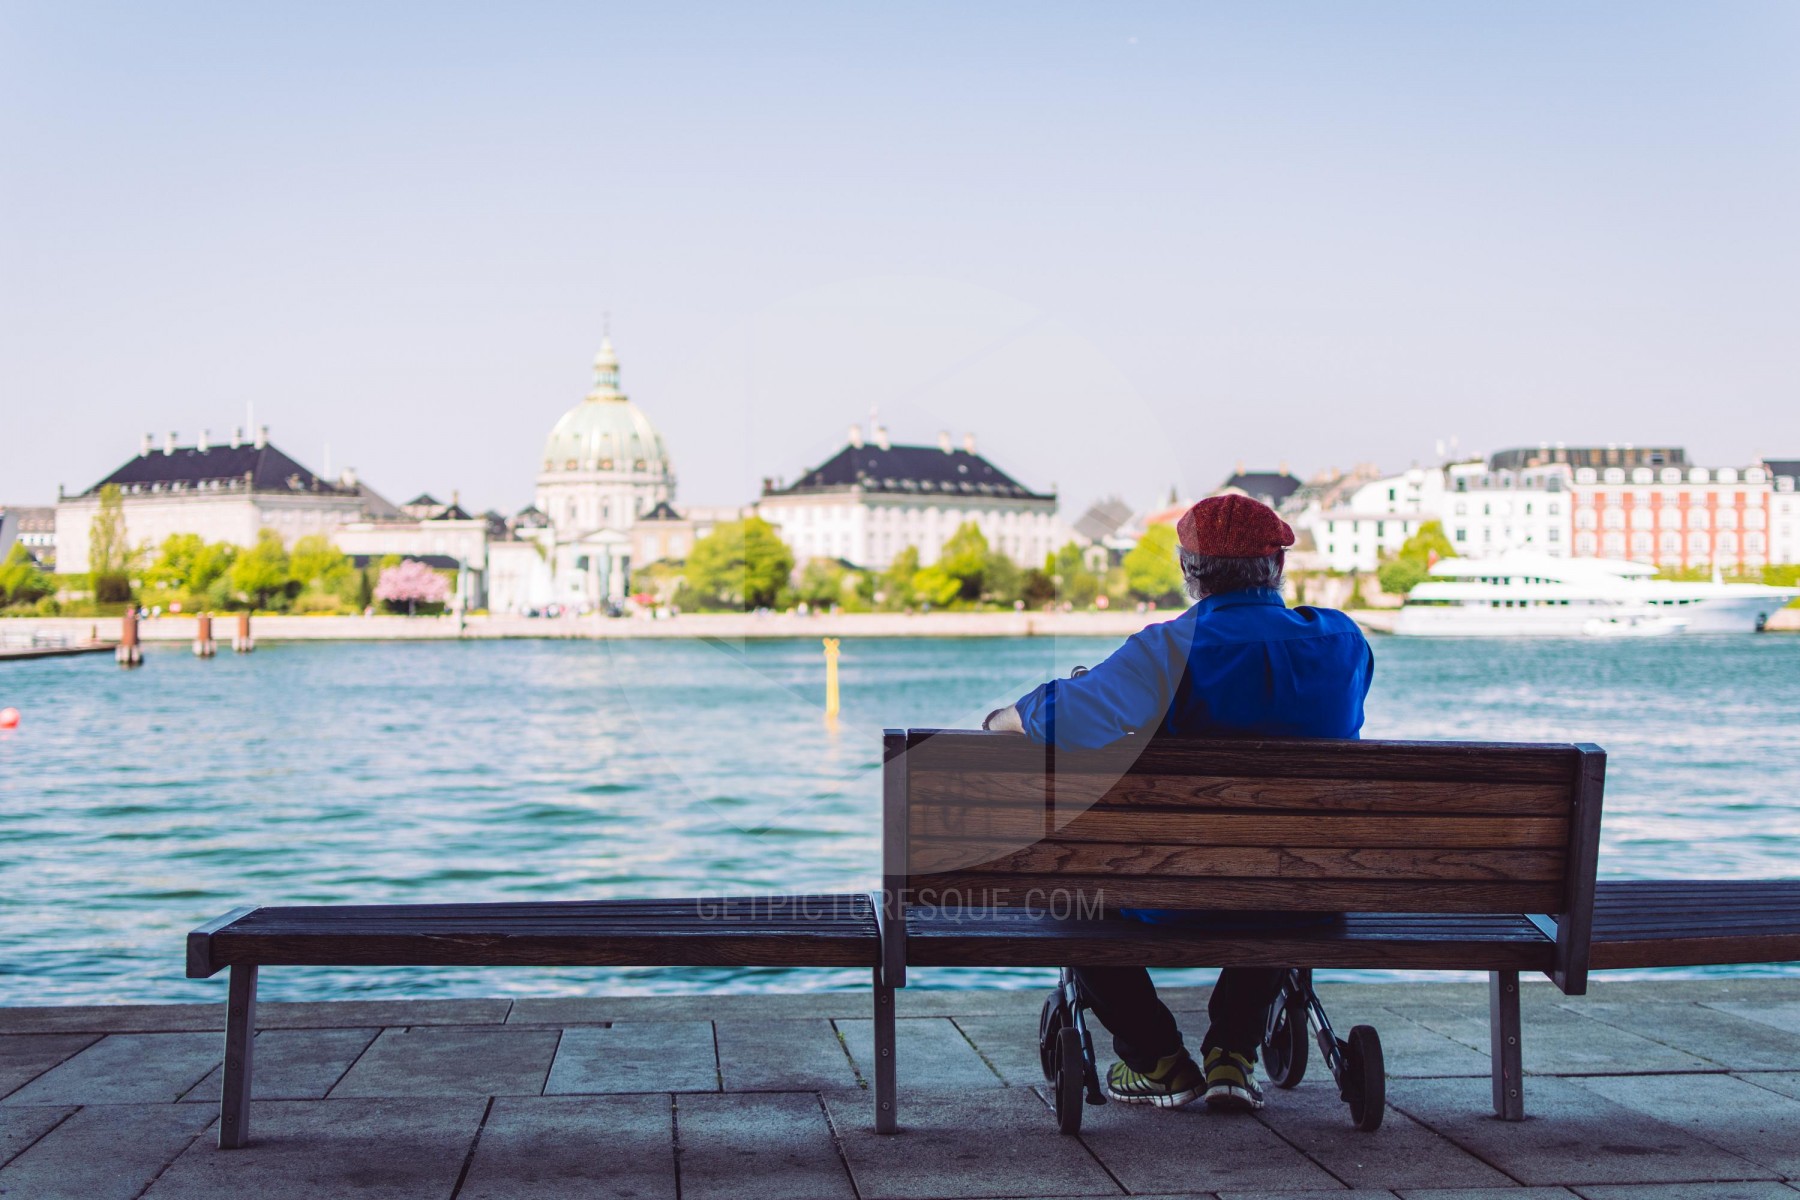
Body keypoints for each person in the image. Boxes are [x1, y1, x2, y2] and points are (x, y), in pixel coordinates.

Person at [983, 493, 1373, 1111]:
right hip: (1304, 891)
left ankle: (1157, 1060)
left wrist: (1002, 717)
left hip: (1172, 894)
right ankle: (1232, 1054)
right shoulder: (1342, 640)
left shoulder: (1165, 650)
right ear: (1277, 565)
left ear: (1190, 571)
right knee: (1281, 874)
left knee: (1073, 900)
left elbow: (1062, 717)